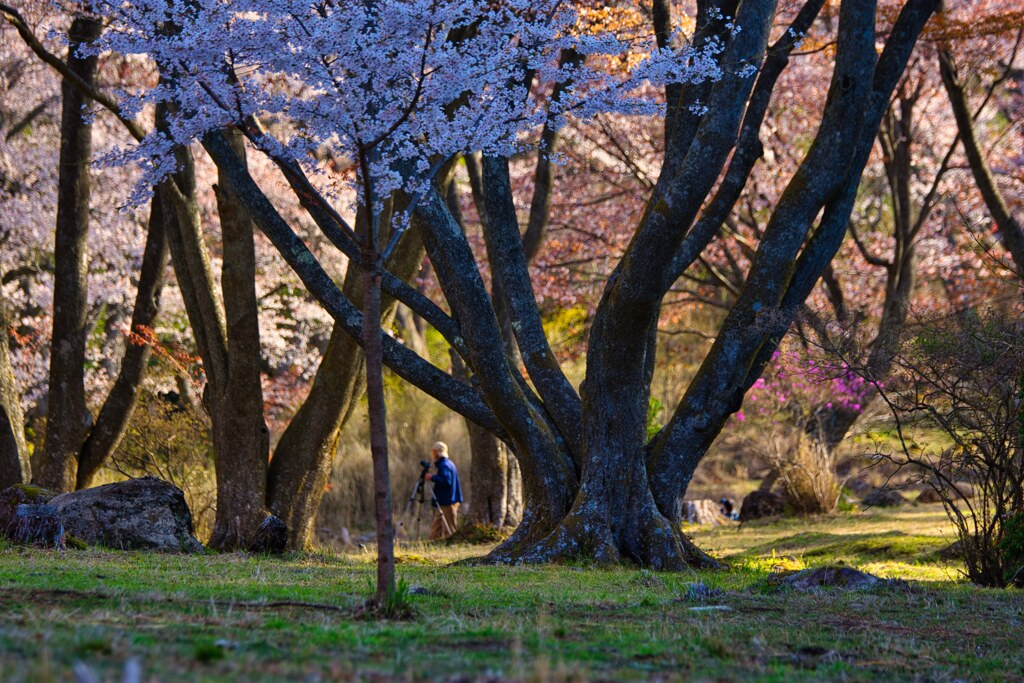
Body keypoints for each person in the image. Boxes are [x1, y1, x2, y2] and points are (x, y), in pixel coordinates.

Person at [424, 441, 462, 540]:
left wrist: (432, 477)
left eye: (434, 452)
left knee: (449, 529)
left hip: (449, 501)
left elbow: (446, 481)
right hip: (444, 501)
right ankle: (433, 544)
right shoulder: (448, 464)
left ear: (437, 452)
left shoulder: (444, 465)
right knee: (436, 527)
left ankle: (452, 546)